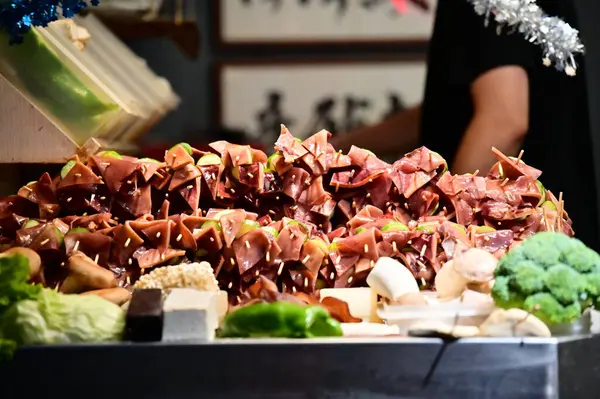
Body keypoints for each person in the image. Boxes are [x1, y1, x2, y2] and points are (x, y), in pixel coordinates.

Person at [331, 0, 598, 249]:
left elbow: (503, 121)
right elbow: (451, 112)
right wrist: (343, 146)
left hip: (523, 239)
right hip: (565, 228)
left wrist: (442, 231)